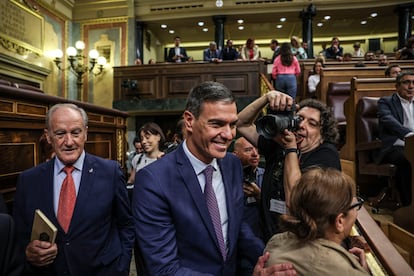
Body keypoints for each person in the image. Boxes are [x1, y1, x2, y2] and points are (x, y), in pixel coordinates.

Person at [132, 81, 296, 275]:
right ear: (189, 121)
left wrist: (271, 260)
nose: (228, 135)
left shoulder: (232, 165)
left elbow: (237, 225)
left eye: (232, 125)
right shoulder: (153, 180)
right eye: (217, 124)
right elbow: (163, 269)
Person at [13, 103, 134, 275]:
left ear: (85, 133)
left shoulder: (110, 172)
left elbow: (126, 225)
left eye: (76, 133)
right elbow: (19, 235)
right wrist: (28, 252)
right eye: (60, 133)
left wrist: (121, 268)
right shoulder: (28, 180)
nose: (69, 142)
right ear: (48, 136)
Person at [236, 92, 341, 242]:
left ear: (323, 135)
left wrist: (290, 149)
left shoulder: (326, 154)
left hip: (301, 242)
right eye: (299, 118)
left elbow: (294, 200)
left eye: (312, 123)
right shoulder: (279, 143)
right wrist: (266, 98)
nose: (302, 125)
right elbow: (241, 123)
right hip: (269, 235)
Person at [265, 167, 370, 275]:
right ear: (339, 221)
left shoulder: (276, 241)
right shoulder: (341, 269)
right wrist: (362, 271)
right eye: (356, 206)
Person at [377, 71, 414, 206]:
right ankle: (408, 206)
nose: (411, 86)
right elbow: (388, 120)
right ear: (396, 86)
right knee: (408, 160)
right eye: (406, 82)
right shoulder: (386, 102)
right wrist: (408, 135)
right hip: (396, 146)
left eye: (413, 83)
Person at [233, 137, 265, 276]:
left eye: (256, 149)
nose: (255, 154)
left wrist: (259, 196)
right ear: (235, 154)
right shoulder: (229, 178)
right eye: (248, 150)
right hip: (236, 245)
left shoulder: (267, 175)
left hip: (262, 242)